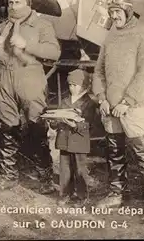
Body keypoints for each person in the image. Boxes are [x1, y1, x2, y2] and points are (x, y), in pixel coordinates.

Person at [0, 0, 61, 193]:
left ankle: (45, 179)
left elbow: (54, 53)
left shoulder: (42, 25)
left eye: (18, 2)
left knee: (36, 127)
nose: (13, 6)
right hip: (4, 78)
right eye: (10, 3)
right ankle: (8, 176)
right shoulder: (3, 25)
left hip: (30, 77)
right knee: (6, 128)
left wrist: (28, 46)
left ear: (28, 5)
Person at [92, 0, 144, 210]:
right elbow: (99, 71)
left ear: (128, 11)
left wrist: (128, 100)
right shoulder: (111, 36)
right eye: (111, 12)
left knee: (143, 151)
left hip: (134, 106)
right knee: (114, 152)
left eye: (118, 12)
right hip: (110, 106)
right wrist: (102, 97)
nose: (114, 17)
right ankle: (117, 194)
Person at [49, 69, 97, 207]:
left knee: (80, 170)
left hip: (79, 142)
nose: (72, 88)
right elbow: (58, 120)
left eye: (75, 85)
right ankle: (65, 194)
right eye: (70, 85)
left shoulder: (89, 103)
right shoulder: (64, 101)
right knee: (65, 169)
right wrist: (53, 122)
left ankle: (82, 196)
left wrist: (75, 125)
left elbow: (89, 125)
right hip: (64, 140)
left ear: (85, 86)